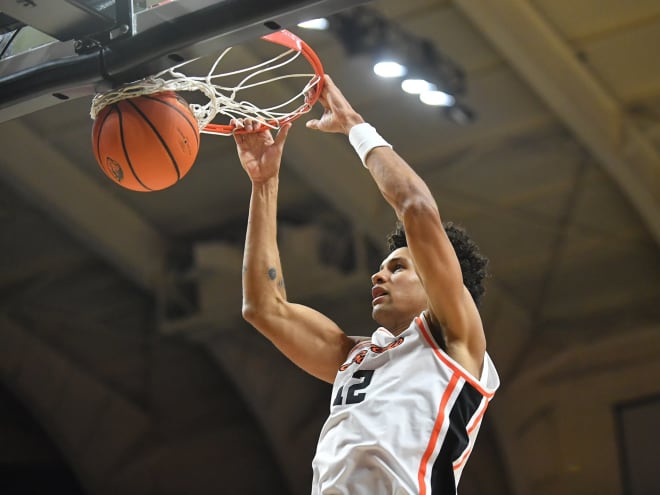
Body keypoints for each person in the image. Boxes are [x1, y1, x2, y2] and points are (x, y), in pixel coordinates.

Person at [233, 74, 500, 495]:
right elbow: (263, 308)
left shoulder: (454, 343)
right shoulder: (353, 355)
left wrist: (355, 126)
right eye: (382, 268)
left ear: (439, 284)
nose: (379, 275)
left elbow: (414, 206)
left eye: (398, 268)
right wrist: (264, 184)